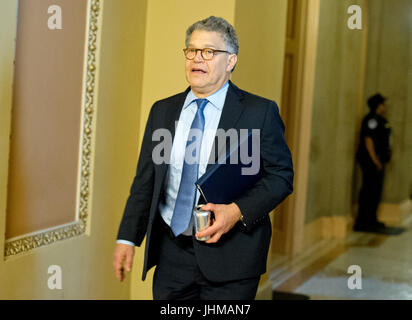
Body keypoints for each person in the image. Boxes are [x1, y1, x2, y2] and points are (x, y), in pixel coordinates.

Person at [112, 16, 293, 300]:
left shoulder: (259, 112)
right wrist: (127, 238)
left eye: (209, 52)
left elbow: (281, 177)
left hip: (233, 259)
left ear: (230, 61)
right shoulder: (163, 111)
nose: (198, 58)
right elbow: (146, 180)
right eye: (192, 50)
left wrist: (236, 211)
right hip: (172, 255)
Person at [354, 93, 391, 233]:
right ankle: (364, 221)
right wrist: (375, 160)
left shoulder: (380, 120)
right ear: (377, 105)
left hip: (378, 161)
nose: (384, 107)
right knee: (369, 190)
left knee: (375, 191)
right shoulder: (371, 120)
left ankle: (372, 219)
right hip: (370, 162)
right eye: (382, 104)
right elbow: (368, 141)